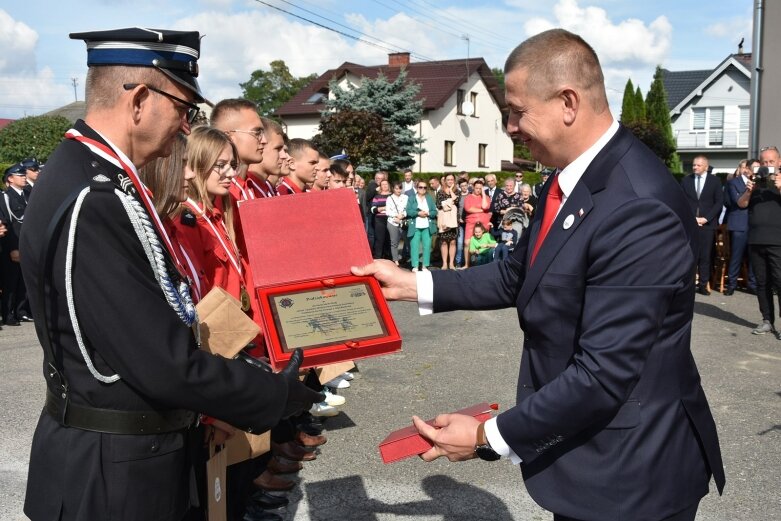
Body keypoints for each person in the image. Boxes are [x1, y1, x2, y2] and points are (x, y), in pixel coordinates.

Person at [353, 28, 724, 521]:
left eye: (517, 110)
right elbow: (517, 274)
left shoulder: (637, 206)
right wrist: (409, 283)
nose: (509, 125)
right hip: (589, 459)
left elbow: (602, 374)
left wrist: (488, 437)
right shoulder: (565, 179)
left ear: (568, 102)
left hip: (631, 476)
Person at [18, 28, 322, 521]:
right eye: (183, 109)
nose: (185, 128)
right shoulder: (96, 197)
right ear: (139, 99)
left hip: (121, 459)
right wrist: (273, 394)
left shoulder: (94, 176)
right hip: (115, 475)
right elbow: (162, 360)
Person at [737, 146, 781, 337]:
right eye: (764, 162)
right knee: (761, 283)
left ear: (779, 162)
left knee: (780, 282)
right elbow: (741, 204)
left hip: (777, 241)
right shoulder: (754, 182)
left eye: (771, 162)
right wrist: (749, 190)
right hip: (756, 239)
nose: (767, 165)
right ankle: (766, 321)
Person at [681, 155, 724, 296]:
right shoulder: (686, 181)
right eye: (694, 165)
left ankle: (704, 284)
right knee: (690, 255)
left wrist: (706, 218)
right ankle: (689, 284)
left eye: (698, 165)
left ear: (706, 166)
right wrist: (692, 218)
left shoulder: (715, 181)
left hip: (708, 224)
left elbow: (718, 202)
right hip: (691, 223)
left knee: (705, 256)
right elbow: (682, 201)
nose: (695, 167)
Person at [1, 163, 30, 326]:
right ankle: (8, 313)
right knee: (11, 281)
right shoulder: (5, 197)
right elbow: (9, 224)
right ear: (10, 179)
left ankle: (21, 311)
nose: (24, 177)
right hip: (14, 243)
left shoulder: (27, 194)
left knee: (23, 281)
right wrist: (13, 247)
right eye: (20, 175)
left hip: (26, 244)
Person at [724, 159, 757, 295]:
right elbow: (736, 202)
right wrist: (749, 189)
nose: (757, 171)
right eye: (755, 168)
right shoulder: (733, 182)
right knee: (736, 256)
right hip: (739, 224)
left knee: (754, 257)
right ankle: (731, 285)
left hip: (755, 224)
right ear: (747, 169)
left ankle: (752, 284)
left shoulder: (760, 184)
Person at [406, 180, 437, 272]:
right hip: (415, 226)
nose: (422, 189)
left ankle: (425, 265)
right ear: (417, 188)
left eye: (424, 187)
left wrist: (428, 213)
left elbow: (434, 212)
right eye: (420, 187)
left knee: (427, 246)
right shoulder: (412, 198)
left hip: (427, 226)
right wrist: (418, 213)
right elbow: (408, 211)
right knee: (414, 246)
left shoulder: (429, 198)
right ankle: (415, 265)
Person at [462, 178, 492, 268]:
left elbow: (485, 206)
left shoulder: (486, 197)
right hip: (471, 222)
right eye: (477, 188)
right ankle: (467, 264)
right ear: (473, 187)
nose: (478, 190)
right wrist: (482, 211)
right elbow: (468, 209)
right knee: (467, 243)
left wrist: (483, 193)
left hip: (483, 223)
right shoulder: (468, 197)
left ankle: (482, 264)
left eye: (480, 188)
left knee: (483, 243)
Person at [436, 173, 460, 270]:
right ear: (445, 181)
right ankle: (445, 263)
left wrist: (450, 192)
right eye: (448, 179)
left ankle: (451, 263)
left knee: (453, 242)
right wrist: (450, 203)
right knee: (444, 242)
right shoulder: (440, 192)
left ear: (454, 181)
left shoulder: (457, 191)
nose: (450, 181)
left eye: (452, 179)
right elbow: (439, 205)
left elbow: (457, 201)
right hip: (444, 220)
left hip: (453, 220)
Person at [385, 181, 408, 266]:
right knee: (394, 242)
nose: (398, 190)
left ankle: (405, 257)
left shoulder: (406, 197)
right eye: (396, 188)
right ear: (393, 189)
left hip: (403, 221)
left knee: (407, 240)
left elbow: (407, 209)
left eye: (400, 188)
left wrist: (402, 215)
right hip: (392, 222)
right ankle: (395, 260)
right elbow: (388, 211)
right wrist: (396, 215)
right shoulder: (389, 198)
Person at [370, 179, 392, 259]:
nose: (385, 186)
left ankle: (389, 258)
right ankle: (378, 257)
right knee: (380, 240)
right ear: (380, 186)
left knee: (389, 240)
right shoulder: (377, 197)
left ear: (388, 185)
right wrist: (383, 208)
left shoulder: (392, 196)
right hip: (379, 220)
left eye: (386, 184)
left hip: (390, 220)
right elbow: (373, 209)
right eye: (383, 184)